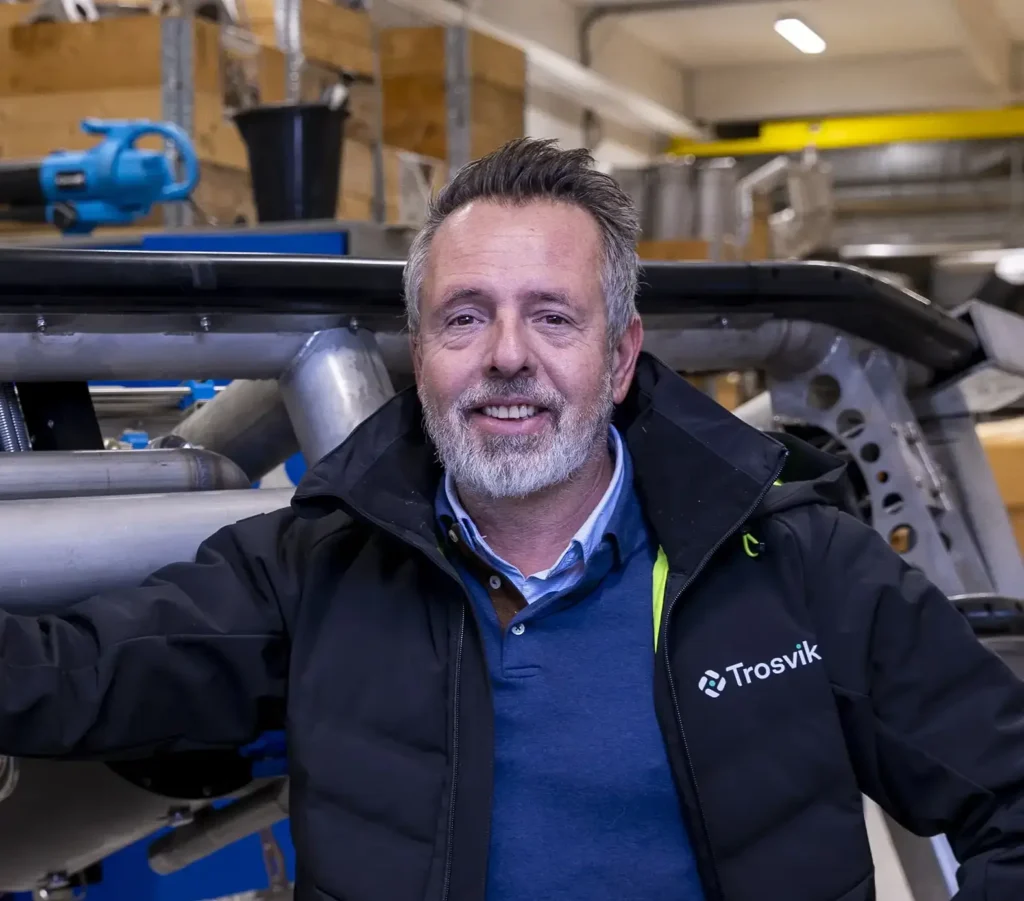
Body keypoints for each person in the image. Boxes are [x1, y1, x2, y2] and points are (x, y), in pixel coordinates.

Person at [2, 138, 1024, 901]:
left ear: (619, 359)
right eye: (463, 316)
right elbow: (69, 673)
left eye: (551, 315)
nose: (504, 355)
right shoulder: (317, 569)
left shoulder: (799, 572)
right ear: (420, 351)